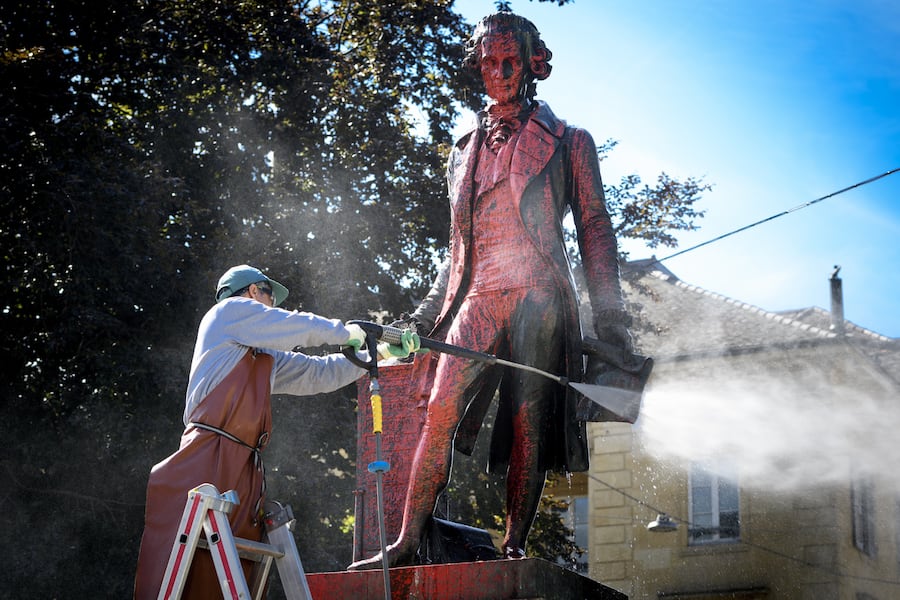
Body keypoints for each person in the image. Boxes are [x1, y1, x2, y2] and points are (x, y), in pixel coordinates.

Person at [348, 11, 632, 569]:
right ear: (477, 67)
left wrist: (611, 319)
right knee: (438, 410)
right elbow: (457, 248)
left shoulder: (571, 141)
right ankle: (405, 541)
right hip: (478, 295)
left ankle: (514, 545)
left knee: (529, 417)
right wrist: (424, 317)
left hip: (539, 294)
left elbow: (596, 230)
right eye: (489, 62)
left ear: (533, 64)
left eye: (510, 61)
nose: (500, 73)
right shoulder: (462, 150)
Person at [134, 264, 418, 598]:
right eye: (270, 296)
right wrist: (346, 332)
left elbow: (318, 373)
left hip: (244, 464)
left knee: (228, 568)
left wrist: (379, 353)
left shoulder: (262, 356)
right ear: (253, 291)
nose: (273, 306)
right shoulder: (226, 312)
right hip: (208, 454)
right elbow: (292, 325)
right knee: (193, 567)